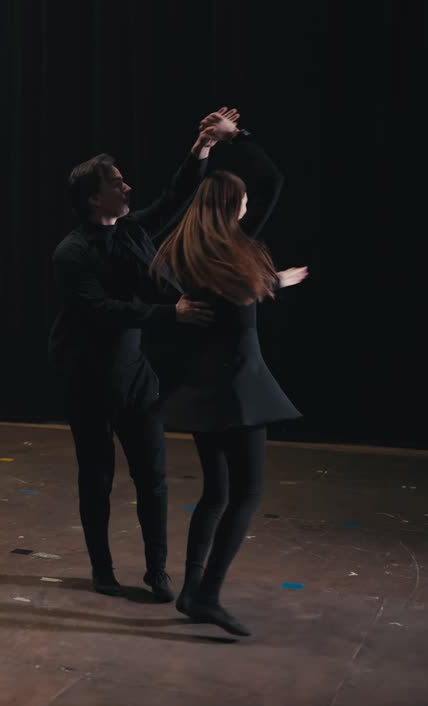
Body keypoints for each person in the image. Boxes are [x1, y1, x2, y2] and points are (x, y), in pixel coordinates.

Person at [48, 109, 239, 601]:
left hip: (135, 376)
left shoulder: (131, 230)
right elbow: (100, 310)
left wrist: (202, 147)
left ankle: (158, 571)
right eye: (117, 183)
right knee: (97, 479)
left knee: (152, 479)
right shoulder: (71, 252)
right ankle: (102, 570)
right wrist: (168, 313)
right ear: (95, 198)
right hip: (87, 379)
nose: (128, 188)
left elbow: (174, 199)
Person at [150, 129, 306, 636]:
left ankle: (195, 590)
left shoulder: (191, 250)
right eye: (240, 202)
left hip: (202, 390)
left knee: (217, 492)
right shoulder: (234, 256)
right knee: (247, 493)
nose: (246, 207)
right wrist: (240, 137)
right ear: (233, 207)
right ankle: (206, 595)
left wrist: (213, 147)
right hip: (237, 389)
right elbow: (275, 180)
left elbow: (228, 299)